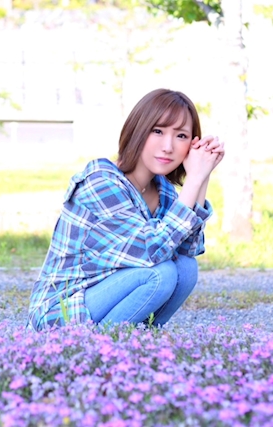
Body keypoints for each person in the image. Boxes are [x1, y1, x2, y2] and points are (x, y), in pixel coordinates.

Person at [27, 88, 225, 331]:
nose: (168, 146)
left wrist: (202, 175)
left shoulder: (163, 191)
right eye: (158, 131)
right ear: (138, 130)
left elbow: (187, 249)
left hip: (104, 298)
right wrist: (193, 179)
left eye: (181, 136)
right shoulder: (102, 182)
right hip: (61, 312)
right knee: (160, 274)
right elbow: (153, 251)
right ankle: (102, 346)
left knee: (186, 268)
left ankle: (135, 342)